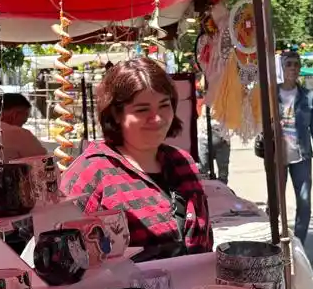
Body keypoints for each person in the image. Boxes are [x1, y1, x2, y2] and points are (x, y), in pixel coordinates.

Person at [60, 58, 212, 261]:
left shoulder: (182, 162)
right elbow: (63, 254)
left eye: (164, 105)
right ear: (115, 114)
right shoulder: (91, 171)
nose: (157, 118)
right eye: (142, 110)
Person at [275, 51, 313, 243]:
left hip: (301, 156)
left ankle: (298, 245)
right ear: (283, 67)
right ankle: (276, 241)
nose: (293, 68)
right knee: (275, 204)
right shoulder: (272, 92)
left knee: (304, 203)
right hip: (277, 157)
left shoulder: (308, 96)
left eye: (296, 64)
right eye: (289, 64)